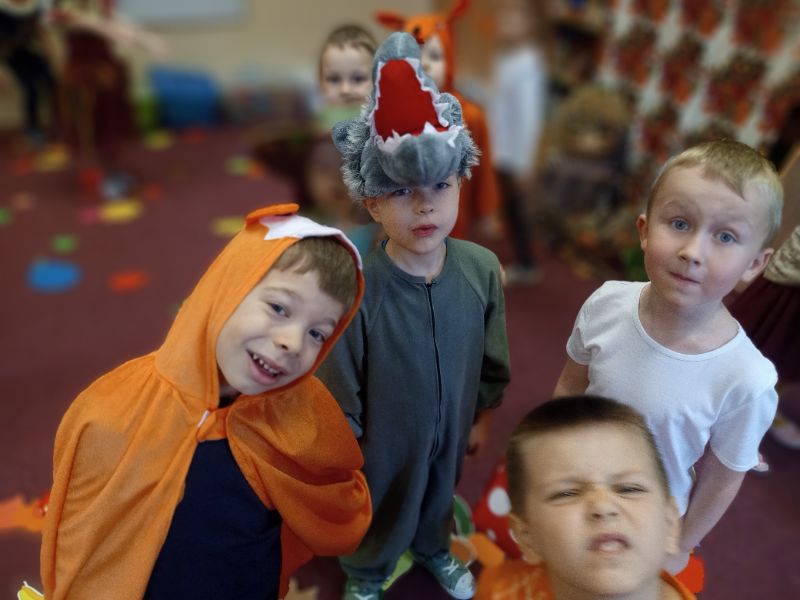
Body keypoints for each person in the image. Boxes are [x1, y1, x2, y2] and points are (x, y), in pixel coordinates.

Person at [40, 204, 371, 600]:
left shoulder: (303, 415)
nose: (292, 342)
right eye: (278, 308)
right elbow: (81, 543)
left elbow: (337, 506)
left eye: (318, 333)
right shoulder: (110, 411)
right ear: (225, 289)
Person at [317, 32, 511, 600]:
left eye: (440, 186)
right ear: (372, 202)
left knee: (438, 491)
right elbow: (339, 383)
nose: (425, 205)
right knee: (382, 503)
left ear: (460, 184)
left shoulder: (481, 269)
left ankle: (433, 546)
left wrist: (481, 417)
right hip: (381, 442)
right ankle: (367, 570)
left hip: (452, 426)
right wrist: (349, 446)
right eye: (402, 192)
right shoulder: (359, 287)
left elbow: (493, 355)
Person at [553, 139, 783, 577]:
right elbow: (570, 387)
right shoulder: (605, 303)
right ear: (644, 230)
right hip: (574, 486)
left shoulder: (748, 379)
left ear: (754, 264)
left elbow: (723, 477)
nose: (692, 252)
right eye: (679, 223)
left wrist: (683, 543)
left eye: (725, 237)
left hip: (647, 525)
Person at [476, 395, 694, 600]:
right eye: (567, 493)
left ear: (669, 523)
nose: (603, 506)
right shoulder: (499, 591)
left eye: (629, 489)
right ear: (527, 537)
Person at [376, 0, 503, 241]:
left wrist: (486, 212)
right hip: (404, 224)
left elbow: (483, 170)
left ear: (449, 61)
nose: (424, 64)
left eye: (434, 56)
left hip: (455, 224)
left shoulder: (470, 116)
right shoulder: (389, 114)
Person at [253, 23, 380, 256]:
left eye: (358, 78)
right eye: (333, 79)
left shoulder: (382, 129)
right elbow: (265, 145)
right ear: (320, 83)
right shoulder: (315, 128)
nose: (345, 89)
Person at [729, 146, 800, 452]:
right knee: (761, 341)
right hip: (792, 278)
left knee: (789, 357)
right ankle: (726, 406)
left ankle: (761, 409)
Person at [486, 0, 552, 284]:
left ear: (529, 25)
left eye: (513, 18)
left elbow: (528, 116)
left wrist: (524, 162)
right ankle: (510, 238)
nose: (505, 23)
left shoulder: (527, 63)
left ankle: (527, 263)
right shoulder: (505, 57)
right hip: (500, 146)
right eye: (502, 17)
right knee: (507, 201)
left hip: (513, 152)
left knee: (516, 206)